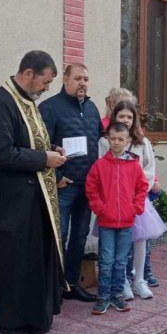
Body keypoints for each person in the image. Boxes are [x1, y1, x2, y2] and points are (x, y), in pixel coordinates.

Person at [0, 51, 67, 334]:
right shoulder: (1, 102)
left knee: (31, 261)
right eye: (45, 81)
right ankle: (9, 327)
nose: (46, 88)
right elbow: (1, 153)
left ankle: (32, 317)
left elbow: (29, 143)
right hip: (11, 203)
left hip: (33, 199)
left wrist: (50, 150)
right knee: (13, 262)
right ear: (28, 73)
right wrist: (44, 158)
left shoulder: (28, 102)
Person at [40, 63, 104, 303]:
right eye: (78, 78)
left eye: (86, 79)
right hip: (64, 186)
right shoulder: (50, 108)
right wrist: (56, 177)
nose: (83, 83)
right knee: (59, 236)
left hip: (87, 186)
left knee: (79, 237)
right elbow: (40, 145)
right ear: (65, 79)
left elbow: (99, 140)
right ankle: (54, 288)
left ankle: (72, 283)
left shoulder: (92, 108)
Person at [98, 100, 165, 299]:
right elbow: (101, 170)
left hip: (137, 199)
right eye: (121, 116)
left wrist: (136, 188)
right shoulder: (105, 142)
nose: (125, 120)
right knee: (120, 243)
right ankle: (123, 281)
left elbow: (149, 167)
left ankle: (140, 280)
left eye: (129, 117)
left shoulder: (141, 142)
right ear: (114, 118)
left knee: (139, 240)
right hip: (114, 200)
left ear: (134, 119)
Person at [86, 122, 148, 315]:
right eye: (113, 139)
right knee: (106, 261)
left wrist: (135, 208)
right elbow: (91, 188)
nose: (116, 143)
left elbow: (141, 187)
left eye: (120, 139)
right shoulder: (100, 165)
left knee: (121, 261)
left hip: (127, 223)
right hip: (106, 222)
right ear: (108, 140)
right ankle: (103, 296)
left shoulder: (134, 165)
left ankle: (117, 294)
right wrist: (100, 208)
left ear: (128, 141)